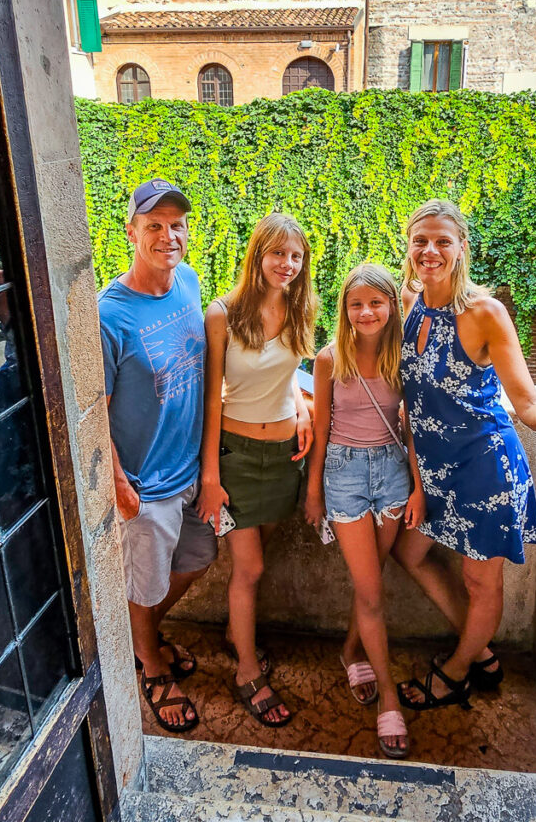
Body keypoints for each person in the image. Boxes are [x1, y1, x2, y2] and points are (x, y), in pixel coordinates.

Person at [394, 198, 536, 711]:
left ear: (462, 247)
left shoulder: (485, 313)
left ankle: (458, 671)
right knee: (408, 552)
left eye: (443, 240)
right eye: (421, 240)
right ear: (409, 247)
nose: (431, 250)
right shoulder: (409, 300)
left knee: (480, 581)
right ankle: (480, 650)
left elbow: (527, 404)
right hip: (435, 472)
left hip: (484, 468)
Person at [99, 179, 217, 734]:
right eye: (154, 225)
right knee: (144, 586)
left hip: (194, 470)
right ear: (132, 232)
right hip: (145, 484)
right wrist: (119, 480)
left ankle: (136, 634)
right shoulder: (109, 314)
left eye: (176, 225)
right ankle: (149, 664)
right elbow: (92, 409)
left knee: (197, 561)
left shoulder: (189, 283)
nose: (168, 235)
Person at [198, 212, 315, 728]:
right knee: (250, 568)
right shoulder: (222, 314)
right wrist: (210, 476)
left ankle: (234, 633)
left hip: (287, 455)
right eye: (278, 253)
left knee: (257, 556)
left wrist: (304, 407)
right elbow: (211, 399)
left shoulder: (300, 309)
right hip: (236, 458)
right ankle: (247, 670)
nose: (286, 264)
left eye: (295, 256)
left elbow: (289, 370)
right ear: (257, 254)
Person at [305, 264, 426, 759]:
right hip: (345, 476)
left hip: (394, 474)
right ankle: (390, 698)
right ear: (345, 311)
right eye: (356, 304)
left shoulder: (404, 357)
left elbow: (413, 429)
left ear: (391, 306)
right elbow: (321, 429)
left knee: (369, 580)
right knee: (372, 591)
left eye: (376, 302)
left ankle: (352, 652)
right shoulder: (330, 359)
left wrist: (418, 487)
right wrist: (313, 493)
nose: (366, 312)